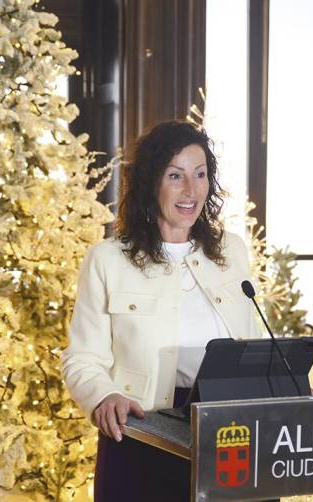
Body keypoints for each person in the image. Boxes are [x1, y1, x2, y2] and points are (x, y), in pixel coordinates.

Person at [61, 121, 260, 501]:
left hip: (228, 435)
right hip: (141, 433)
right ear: (151, 183)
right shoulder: (107, 259)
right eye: (175, 176)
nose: (191, 190)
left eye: (200, 175)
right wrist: (104, 397)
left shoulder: (231, 251)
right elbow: (82, 359)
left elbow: (251, 344)